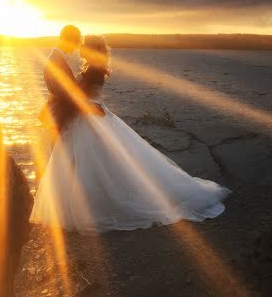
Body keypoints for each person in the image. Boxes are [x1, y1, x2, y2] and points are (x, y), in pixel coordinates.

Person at [31, 35, 230, 232]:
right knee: (95, 162)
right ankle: (86, 202)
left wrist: (82, 106)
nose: (80, 48)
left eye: (84, 46)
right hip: (89, 116)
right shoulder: (92, 68)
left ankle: (96, 205)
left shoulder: (94, 69)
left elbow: (82, 97)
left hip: (91, 117)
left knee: (96, 163)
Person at [39, 24, 83, 139]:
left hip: (58, 114)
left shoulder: (55, 58)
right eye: (75, 43)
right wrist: (89, 108)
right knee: (60, 153)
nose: (75, 48)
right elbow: (65, 94)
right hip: (60, 116)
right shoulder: (56, 61)